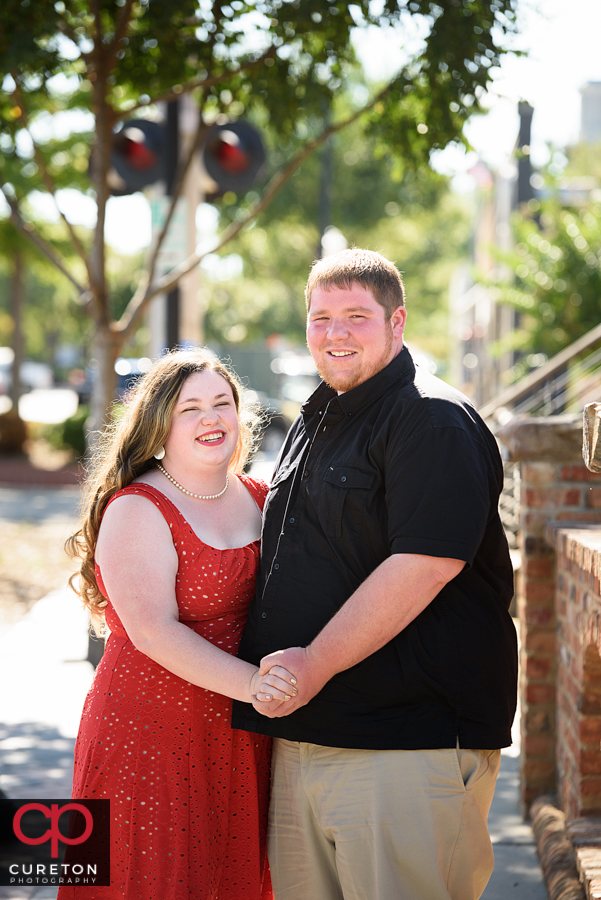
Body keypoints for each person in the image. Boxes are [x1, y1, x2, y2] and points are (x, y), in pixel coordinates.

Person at [233, 249, 518, 900]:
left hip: (405, 744)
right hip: (308, 733)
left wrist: (312, 665)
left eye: (355, 316)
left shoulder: (430, 418)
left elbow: (424, 565)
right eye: (320, 317)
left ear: (397, 322)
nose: (333, 333)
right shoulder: (320, 414)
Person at [57, 349, 298, 900]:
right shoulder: (137, 507)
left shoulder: (262, 498)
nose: (211, 419)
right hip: (149, 731)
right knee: (151, 880)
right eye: (191, 408)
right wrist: (256, 687)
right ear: (159, 423)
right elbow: (152, 631)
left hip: (238, 733)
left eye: (222, 403)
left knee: (227, 878)